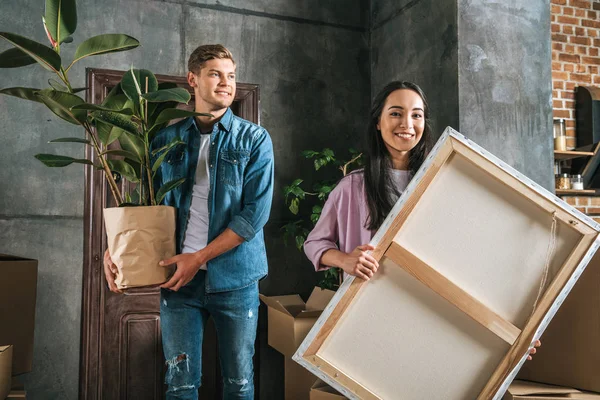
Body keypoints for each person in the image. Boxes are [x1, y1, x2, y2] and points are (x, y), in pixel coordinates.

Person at [303, 80, 540, 359]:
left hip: (430, 312)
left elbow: (475, 258)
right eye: (395, 113)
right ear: (378, 122)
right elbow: (314, 243)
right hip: (369, 316)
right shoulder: (351, 187)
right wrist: (344, 260)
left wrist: (512, 331)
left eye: (416, 115)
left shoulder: (444, 182)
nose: (407, 123)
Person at [103, 44, 274, 399]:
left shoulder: (255, 139)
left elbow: (254, 216)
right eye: (215, 74)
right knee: (179, 384)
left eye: (231, 76)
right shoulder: (165, 139)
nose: (226, 83)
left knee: (239, 383)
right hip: (179, 283)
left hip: (237, 279)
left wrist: (198, 258)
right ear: (192, 80)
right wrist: (116, 248)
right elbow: (147, 207)